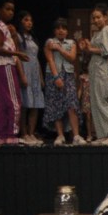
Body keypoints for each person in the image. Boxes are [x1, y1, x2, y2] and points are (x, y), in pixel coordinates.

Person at [0, 0, 29, 145]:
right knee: (14, 102)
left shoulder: (1, 27)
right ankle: (11, 134)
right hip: (5, 66)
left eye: (12, 9)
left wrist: (12, 36)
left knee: (2, 102)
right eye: (7, 9)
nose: (11, 12)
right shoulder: (1, 27)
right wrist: (17, 54)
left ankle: (3, 136)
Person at [43, 18, 86, 146]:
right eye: (58, 28)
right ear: (54, 31)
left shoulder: (71, 42)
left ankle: (76, 135)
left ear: (67, 31)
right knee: (56, 103)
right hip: (54, 75)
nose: (61, 31)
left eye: (63, 28)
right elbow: (50, 60)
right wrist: (56, 77)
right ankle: (60, 135)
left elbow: (72, 57)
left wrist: (60, 49)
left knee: (71, 103)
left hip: (68, 75)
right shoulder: (50, 42)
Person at [83, 3, 108, 145]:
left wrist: (90, 48)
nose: (96, 20)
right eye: (94, 18)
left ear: (105, 17)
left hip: (101, 70)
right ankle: (103, 134)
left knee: (101, 101)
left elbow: (107, 51)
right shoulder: (97, 34)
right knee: (95, 102)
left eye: (99, 17)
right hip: (94, 70)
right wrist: (87, 48)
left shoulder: (107, 31)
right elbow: (93, 51)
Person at [15, 10, 45, 145]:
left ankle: (32, 133)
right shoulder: (18, 37)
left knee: (35, 104)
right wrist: (21, 75)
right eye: (26, 20)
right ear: (20, 21)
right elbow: (16, 56)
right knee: (25, 103)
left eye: (31, 20)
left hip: (34, 73)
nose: (29, 23)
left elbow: (36, 59)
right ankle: (24, 133)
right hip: (25, 70)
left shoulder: (32, 38)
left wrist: (41, 77)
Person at [76, 37, 94, 142]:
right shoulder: (82, 77)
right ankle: (89, 134)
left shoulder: (89, 53)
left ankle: (97, 133)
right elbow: (80, 89)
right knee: (87, 116)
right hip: (86, 98)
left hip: (94, 95)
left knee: (94, 115)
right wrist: (77, 98)